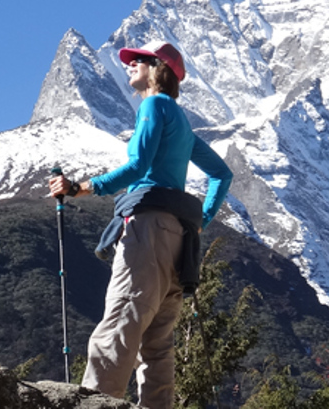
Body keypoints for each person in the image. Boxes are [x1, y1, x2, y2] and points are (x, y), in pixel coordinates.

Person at [49, 40, 233, 407]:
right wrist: (201, 222)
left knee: (121, 321)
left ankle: (97, 403)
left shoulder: (154, 105)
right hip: (179, 239)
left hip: (147, 230)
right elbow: (221, 175)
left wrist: (82, 187)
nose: (130, 64)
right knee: (158, 345)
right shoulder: (181, 122)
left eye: (139, 60)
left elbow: (138, 166)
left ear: (158, 68)